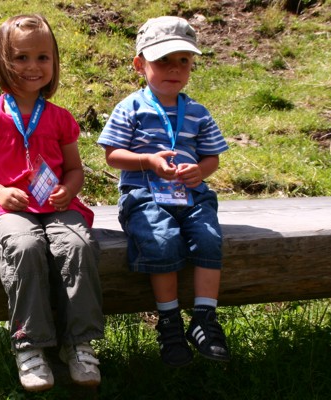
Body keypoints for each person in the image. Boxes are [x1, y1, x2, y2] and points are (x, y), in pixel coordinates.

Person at [0, 14, 104, 391]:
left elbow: (74, 170)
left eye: (43, 57)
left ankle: (79, 343)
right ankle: (30, 346)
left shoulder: (60, 118)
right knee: (25, 247)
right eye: (21, 57)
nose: (32, 66)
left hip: (56, 206)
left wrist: (69, 190)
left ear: (54, 62)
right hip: (7, 209)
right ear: (2, 62)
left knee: (78, 244)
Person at [97, 16, 231, 367]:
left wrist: (199, 171)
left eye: (183, 61)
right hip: (143, 194)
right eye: (163, 61)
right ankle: (169, 322)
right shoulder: (131, 108)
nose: (174, 69)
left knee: (209, 238)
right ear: (139, 64)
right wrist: (148, 162)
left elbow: (212, 157)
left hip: (192, 194)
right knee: (161, 239)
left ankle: (205, 318)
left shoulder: (198, 113)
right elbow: (113, 155)